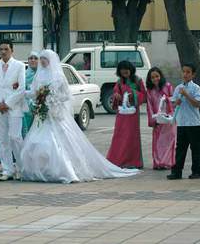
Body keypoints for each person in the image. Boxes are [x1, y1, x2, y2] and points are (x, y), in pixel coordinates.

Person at [20, 50, 139, 183]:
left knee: (57, 142)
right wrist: (25, 94)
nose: (42, 61)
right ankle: (41, 170)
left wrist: (53, 100)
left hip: (56, 113)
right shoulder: (39, 75)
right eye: (41, 58)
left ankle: (64, 170)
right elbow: (34, 92)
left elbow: (66, 95)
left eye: (45, 59)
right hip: (43, 114)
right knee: (38, 142)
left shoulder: (58, 76)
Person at [0, 39, 26, 181]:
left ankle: (21, 168)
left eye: (6, 49)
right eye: (1, 49)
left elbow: (21, 88)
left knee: (15, 137)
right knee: (2, 140)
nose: (3, 52)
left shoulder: (19, 66)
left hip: (14, 108)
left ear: (12, 50)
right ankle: (7, 169)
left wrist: (7, 103)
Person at [107, 61, 146, 169]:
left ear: (131, 69)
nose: (125, 71)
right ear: (119, 71)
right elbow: (115, 94)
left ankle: (133, 162)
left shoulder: (138, 81)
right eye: (122, 69)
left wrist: (133, 94)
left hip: (133, 113)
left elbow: (144, 95)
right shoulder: (119, 82)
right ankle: (118, 160)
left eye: (127, 68)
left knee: (132, 137)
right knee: (119, 136)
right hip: (122, 114)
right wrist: (116, 96)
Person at [167, 63, 200, 180]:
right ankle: (176, 172)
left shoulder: (196, 88)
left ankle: (197, 171)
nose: (185, 74)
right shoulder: (178, 88)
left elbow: (197, 104)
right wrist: (175, 102)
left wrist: (186, 95)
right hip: (182, 122)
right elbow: (173, 103)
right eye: (184, 71)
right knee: (180, 148)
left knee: (195, 148)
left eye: (188, 72)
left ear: (193, 75)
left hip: (193, 123)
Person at [146, 67, 176, 170]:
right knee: (158, 143)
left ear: (161, 76)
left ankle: (167, 163)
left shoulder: (168, 86)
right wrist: (153, 120)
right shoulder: (149, 91)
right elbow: (149, 106)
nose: (155, 79)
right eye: (152, 77)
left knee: (169, 141)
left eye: (157, 76)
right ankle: (158, 163)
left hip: (168, 120)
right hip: (157, 121)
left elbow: (173, 100)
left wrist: (171, 115)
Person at [22, 51, 39, 137]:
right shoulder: (23, 75)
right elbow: (20, 92)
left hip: (41, 109)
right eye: (30, 58)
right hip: (27, 109)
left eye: (36, 58)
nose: (33, 60)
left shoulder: (42, 75)